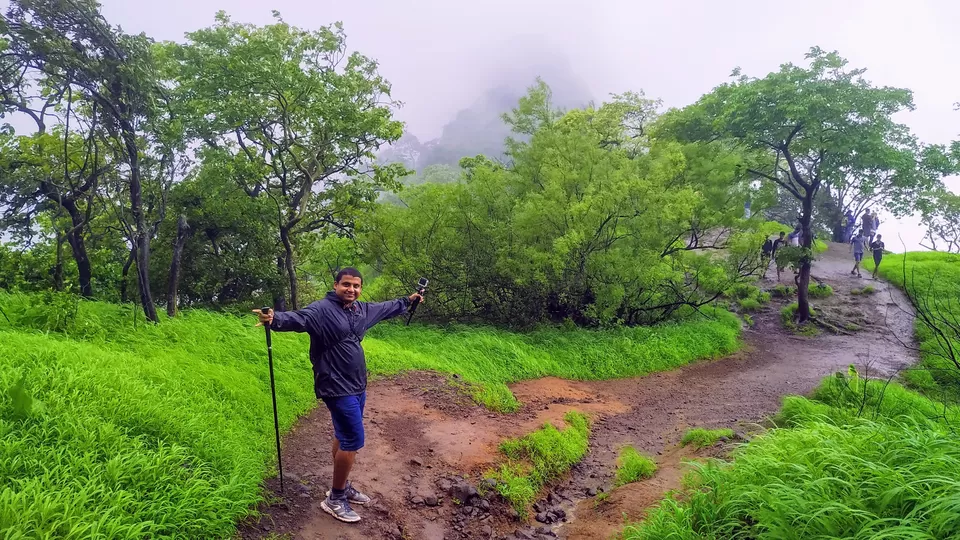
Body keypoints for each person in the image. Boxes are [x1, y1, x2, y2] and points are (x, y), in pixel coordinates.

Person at [255, 268, 424, 524]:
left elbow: (385, 307)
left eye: (356, 286)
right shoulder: (322, 309)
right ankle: (335, 499)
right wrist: (274, 318)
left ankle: (342, 486)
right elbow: (300, 318)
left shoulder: (360, 310)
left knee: (343, 434)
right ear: (336, 285)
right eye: (346, 284)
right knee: (353, 439)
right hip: (335, 385)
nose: (351, 289)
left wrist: (408, 301)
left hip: (357, 384)